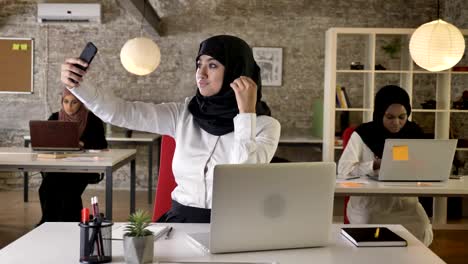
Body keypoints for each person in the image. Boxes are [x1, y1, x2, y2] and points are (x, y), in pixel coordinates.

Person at [60, 35, 281, 223]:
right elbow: (121, 112)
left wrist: (245, 115)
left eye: (212, 65)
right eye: (198, 64)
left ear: (237, 72)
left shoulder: (264, 126)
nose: (200, 74)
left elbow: (243, 176)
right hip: (181, 222)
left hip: (235, 225)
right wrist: (77, 85)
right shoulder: (183, 114)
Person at [337, 85, 433, 246]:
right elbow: (344, 170)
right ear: (380, 113)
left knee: (422, 228)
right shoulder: (363, 134)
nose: (397, 123)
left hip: (405, 204)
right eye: (390, 117)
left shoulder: (413, 132)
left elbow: (423, 165)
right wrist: (375, 164)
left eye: (402, 117)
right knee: (372, 232)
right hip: (370, 204)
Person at [38, 89, 108, 224]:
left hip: (82, 168)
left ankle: (70, 223)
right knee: (46, 188)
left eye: (74, 102)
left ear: (81, 103)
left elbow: (101, 144)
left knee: (67, 190)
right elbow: (45, 140)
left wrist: (82, 143)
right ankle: (48, 222)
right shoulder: (55, 118)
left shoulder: (92, 120)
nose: (69, 106)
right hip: (59, 167)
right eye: (66, 102)